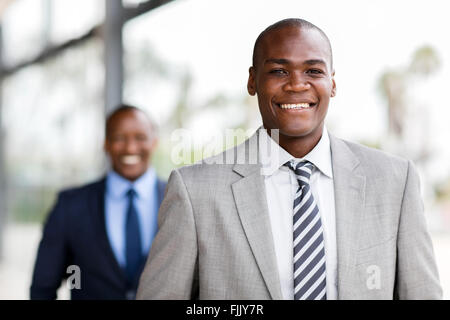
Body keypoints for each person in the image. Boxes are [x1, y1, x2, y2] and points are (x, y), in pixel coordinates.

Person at [136, 19, 442, 300]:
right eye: (279, 71)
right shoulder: (195, 190)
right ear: (252, 81)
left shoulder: (394, 181)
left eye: (313, 71)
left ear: (332, 83)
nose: (297, 84)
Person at [30, 105, 166, 300]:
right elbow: (43, 288)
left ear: (154, 143)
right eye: (119, 138)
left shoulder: (179, 201)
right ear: (106, 144)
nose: (130, 147)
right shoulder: (70, 205)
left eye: (140, 138)